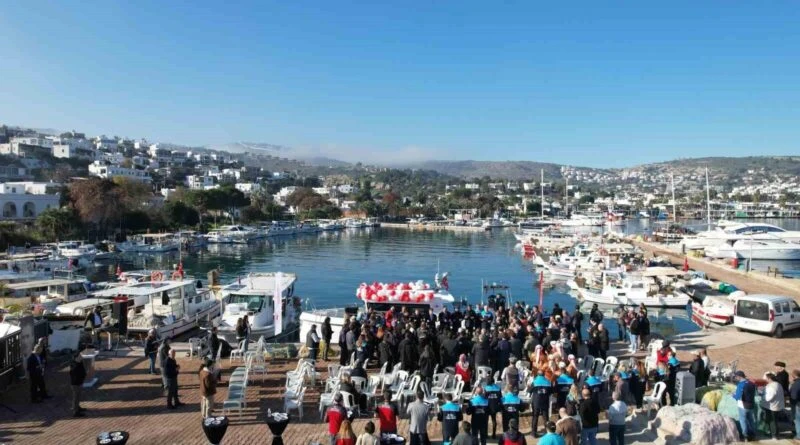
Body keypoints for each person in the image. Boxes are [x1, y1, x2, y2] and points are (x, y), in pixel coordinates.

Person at [732, 370, 756, 442]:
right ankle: (753, 434)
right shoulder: (751, 383)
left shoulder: (741, 384)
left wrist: (733, 395)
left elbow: (738, 396)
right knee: (751, 420)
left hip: (743, 405)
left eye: (736, 377)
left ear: (739, 377)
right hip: (751, 404)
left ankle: (745, 436)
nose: (735, 378)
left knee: (743, 421)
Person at [530, 370, 552, 438]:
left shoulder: (534, 382)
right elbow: (550, 392)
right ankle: (547, 432)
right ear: (544, 374)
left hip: (536, 402)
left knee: (535, 417)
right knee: (546, 418)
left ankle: (534, 433)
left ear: (538, 374)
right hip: (545, 402)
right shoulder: (548, 382)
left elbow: (530, 390)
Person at [762, 372, 785, 440]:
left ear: (769, 379)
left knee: (772, 421)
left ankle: (774, 435)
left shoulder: (771, 386)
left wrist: (763, 397)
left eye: (766, 379)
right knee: (775, 421)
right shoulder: (778, 384)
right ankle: (775, 434)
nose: (765, 380)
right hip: (778, 405)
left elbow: (769, 398)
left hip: (771, 407)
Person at [69, 352, 87, 417]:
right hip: (76, 383)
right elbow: (74, 375)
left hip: (80, 382)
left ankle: (77, 407)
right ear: (76, 358)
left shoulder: (80, 362)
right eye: (80, 356)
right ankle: (75, 412)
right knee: (76, 397)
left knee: (78, 396)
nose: (81, 357)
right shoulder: (74, 365)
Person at [789, 369, 800, 441]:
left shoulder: (796, 384)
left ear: (794, 376)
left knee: (798, 420)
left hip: (797, 404)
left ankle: (799, 436)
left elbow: (794, 396)